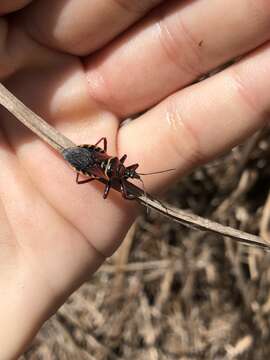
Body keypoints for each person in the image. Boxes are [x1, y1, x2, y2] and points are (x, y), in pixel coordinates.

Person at [0, 0, 269, 358]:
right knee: (97, 165)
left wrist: (105, 170)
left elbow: (117, 175)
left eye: (126, 175)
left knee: (98, 165)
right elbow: (115, 175)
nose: (128, 174)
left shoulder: (115, 178)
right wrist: (103, 169)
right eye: (127, 173)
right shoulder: (113, 179)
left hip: (88, 159)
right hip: (87, 159)